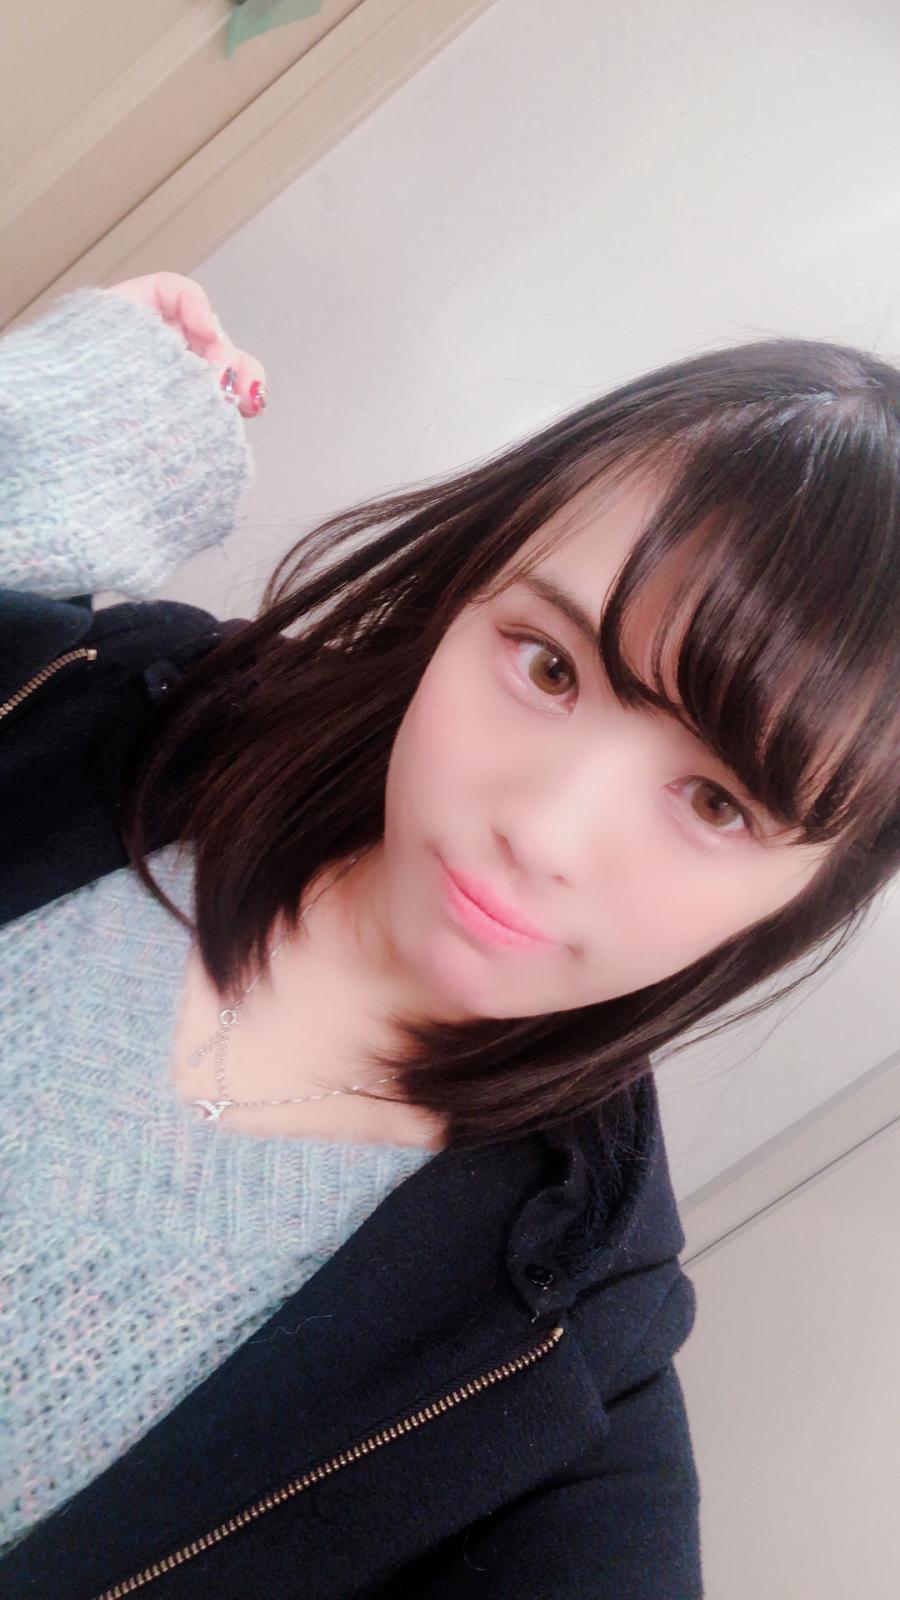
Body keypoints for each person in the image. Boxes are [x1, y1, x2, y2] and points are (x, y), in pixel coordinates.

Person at [1, 272, 898, 1596]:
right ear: (471, 589)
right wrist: (44, 426)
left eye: (717, 803)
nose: (543, 831)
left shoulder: (559, 1378)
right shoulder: (96, 705)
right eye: (550, 666)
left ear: (808, 891)